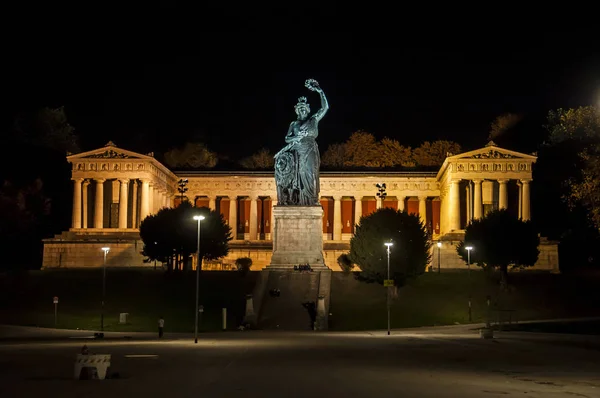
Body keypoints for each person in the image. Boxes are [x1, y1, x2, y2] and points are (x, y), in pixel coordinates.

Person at [274, 78, 329, 206]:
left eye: (304, 108)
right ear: (297, 111)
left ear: (308, 110)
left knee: (311, 174)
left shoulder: (314, 119)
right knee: (299, 176)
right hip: (298, 151)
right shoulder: (294, 124)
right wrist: (297, 137)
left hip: (310, 149)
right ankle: (298, 200)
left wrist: (320, 91)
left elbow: (325, 107)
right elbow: (287, 138)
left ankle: (311, 200)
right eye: (300, 109)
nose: (302, 110)